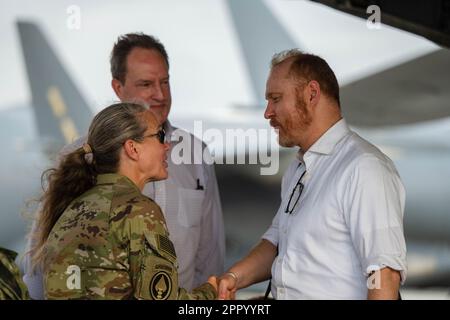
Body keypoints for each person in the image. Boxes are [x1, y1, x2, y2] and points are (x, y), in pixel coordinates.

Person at [23, 33, 225, 298]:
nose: (160, 94)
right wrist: (210, 295)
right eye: (146, 84)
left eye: (165, 82)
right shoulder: (81, 156)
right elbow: (38, 262)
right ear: (118, 88)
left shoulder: (196, 153)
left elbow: (210, 254)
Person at [218, 50, 407, 300]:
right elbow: (276, 242)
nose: (268, 113)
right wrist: (233, 278)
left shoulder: (364, 168)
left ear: (312, 94)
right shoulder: (298, 170)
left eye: (275, 99)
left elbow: (384, 276)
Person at [29, 102, 217, 299]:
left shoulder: (70, 210)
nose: (167, 145)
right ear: (132, 148)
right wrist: (210, 293)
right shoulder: (138, 211)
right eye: (160, 136)